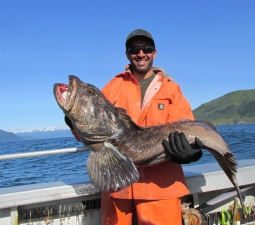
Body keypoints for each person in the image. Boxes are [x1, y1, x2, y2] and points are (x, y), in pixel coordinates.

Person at [65, 29, 203, 225]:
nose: (140, 53)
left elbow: (188, 127)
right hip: (117, 189)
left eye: (146, 49)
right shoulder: (113, 86)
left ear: (154, 53)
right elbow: (89, 133)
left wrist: (192, 152)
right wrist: (73, 120)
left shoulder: (172, 89)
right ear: (127, 54)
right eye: (134, 49)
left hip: (162, 189)